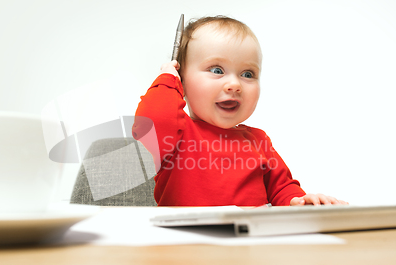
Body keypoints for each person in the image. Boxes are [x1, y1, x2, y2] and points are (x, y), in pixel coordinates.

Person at [133, 16, 347, 206]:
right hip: (186, 245)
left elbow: (282, 188)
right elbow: (153, 121)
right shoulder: (176, 133)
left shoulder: (259, 141)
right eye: (217, 70)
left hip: (247, 246)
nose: (235, 84)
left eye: (247, 73)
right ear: (183, 82)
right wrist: (168, 80)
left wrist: (299, 201)